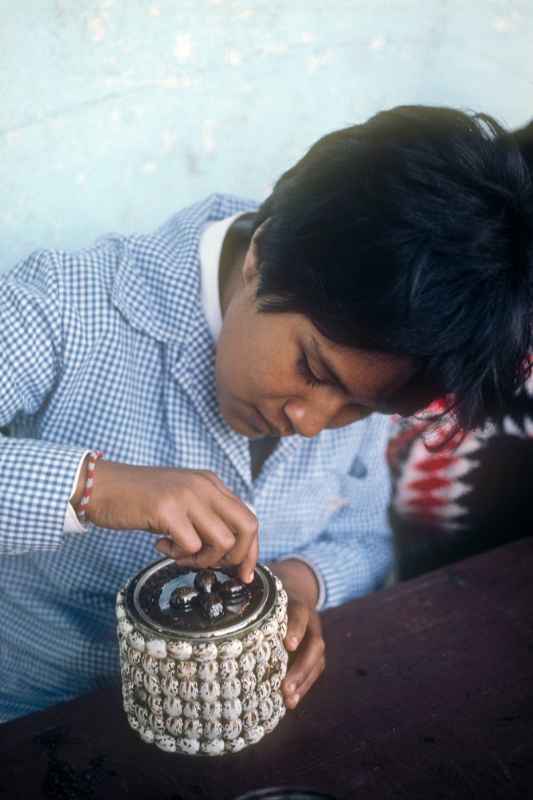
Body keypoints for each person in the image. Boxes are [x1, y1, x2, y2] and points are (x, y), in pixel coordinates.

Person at [0, 105, 531, 723]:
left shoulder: (382, 355)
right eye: (314, 369)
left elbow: (365, 534)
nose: (311, 423)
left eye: (361, 408)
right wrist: (93, 488)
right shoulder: (64, 303)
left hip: (231, 725)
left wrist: (301, 583)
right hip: (30, 712)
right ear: (261, 257)